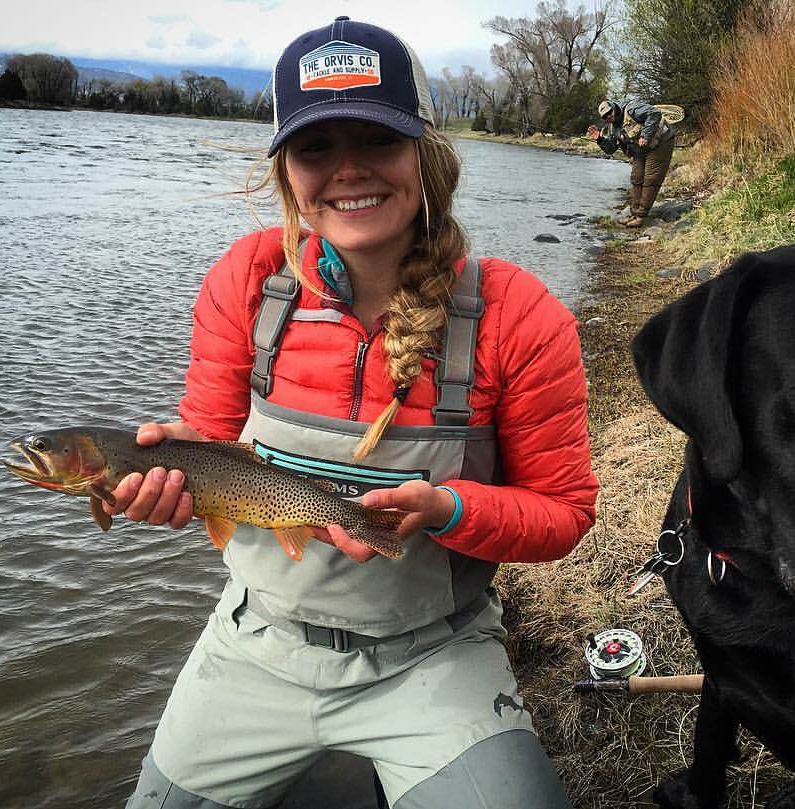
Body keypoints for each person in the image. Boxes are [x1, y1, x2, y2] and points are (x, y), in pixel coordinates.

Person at [115, 16, 597, 809]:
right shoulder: (248, 281)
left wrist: (447, 508)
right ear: (287, 172)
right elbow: (202, 451)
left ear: (425, 156)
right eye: (315, 148)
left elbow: (565, 513)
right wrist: (166, 484)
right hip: (256, 644)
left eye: (375, 139)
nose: (347, 171)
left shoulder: (519, 314)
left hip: (434, 660)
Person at [587, 99, 676, 227]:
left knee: (651, 179)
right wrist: (599, 139)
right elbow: (611, 149)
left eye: (609, 113)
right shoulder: (613, 127)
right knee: (636, 178)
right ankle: (634, 214)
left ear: (614, 107)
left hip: (661, 142)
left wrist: (645, 135)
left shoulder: (632, 109)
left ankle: (641, 216)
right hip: (640, 148)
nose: (609, 116)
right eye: (605, 116)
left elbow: (655, 113)